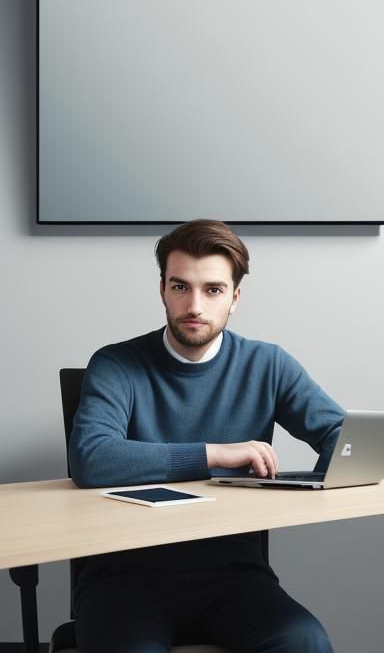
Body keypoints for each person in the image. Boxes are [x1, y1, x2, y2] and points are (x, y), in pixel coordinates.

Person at [70, 219, 344, 653]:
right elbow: (92, 458)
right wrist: (216, 453)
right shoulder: (116, 364)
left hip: (234, 574)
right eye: (180, 287)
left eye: (213, 289)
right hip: (125, 577)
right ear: (162, 289)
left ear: (235, 298)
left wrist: (316, 483)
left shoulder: (268, 364)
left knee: (305, 642)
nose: (194, 305)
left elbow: (341, 436)